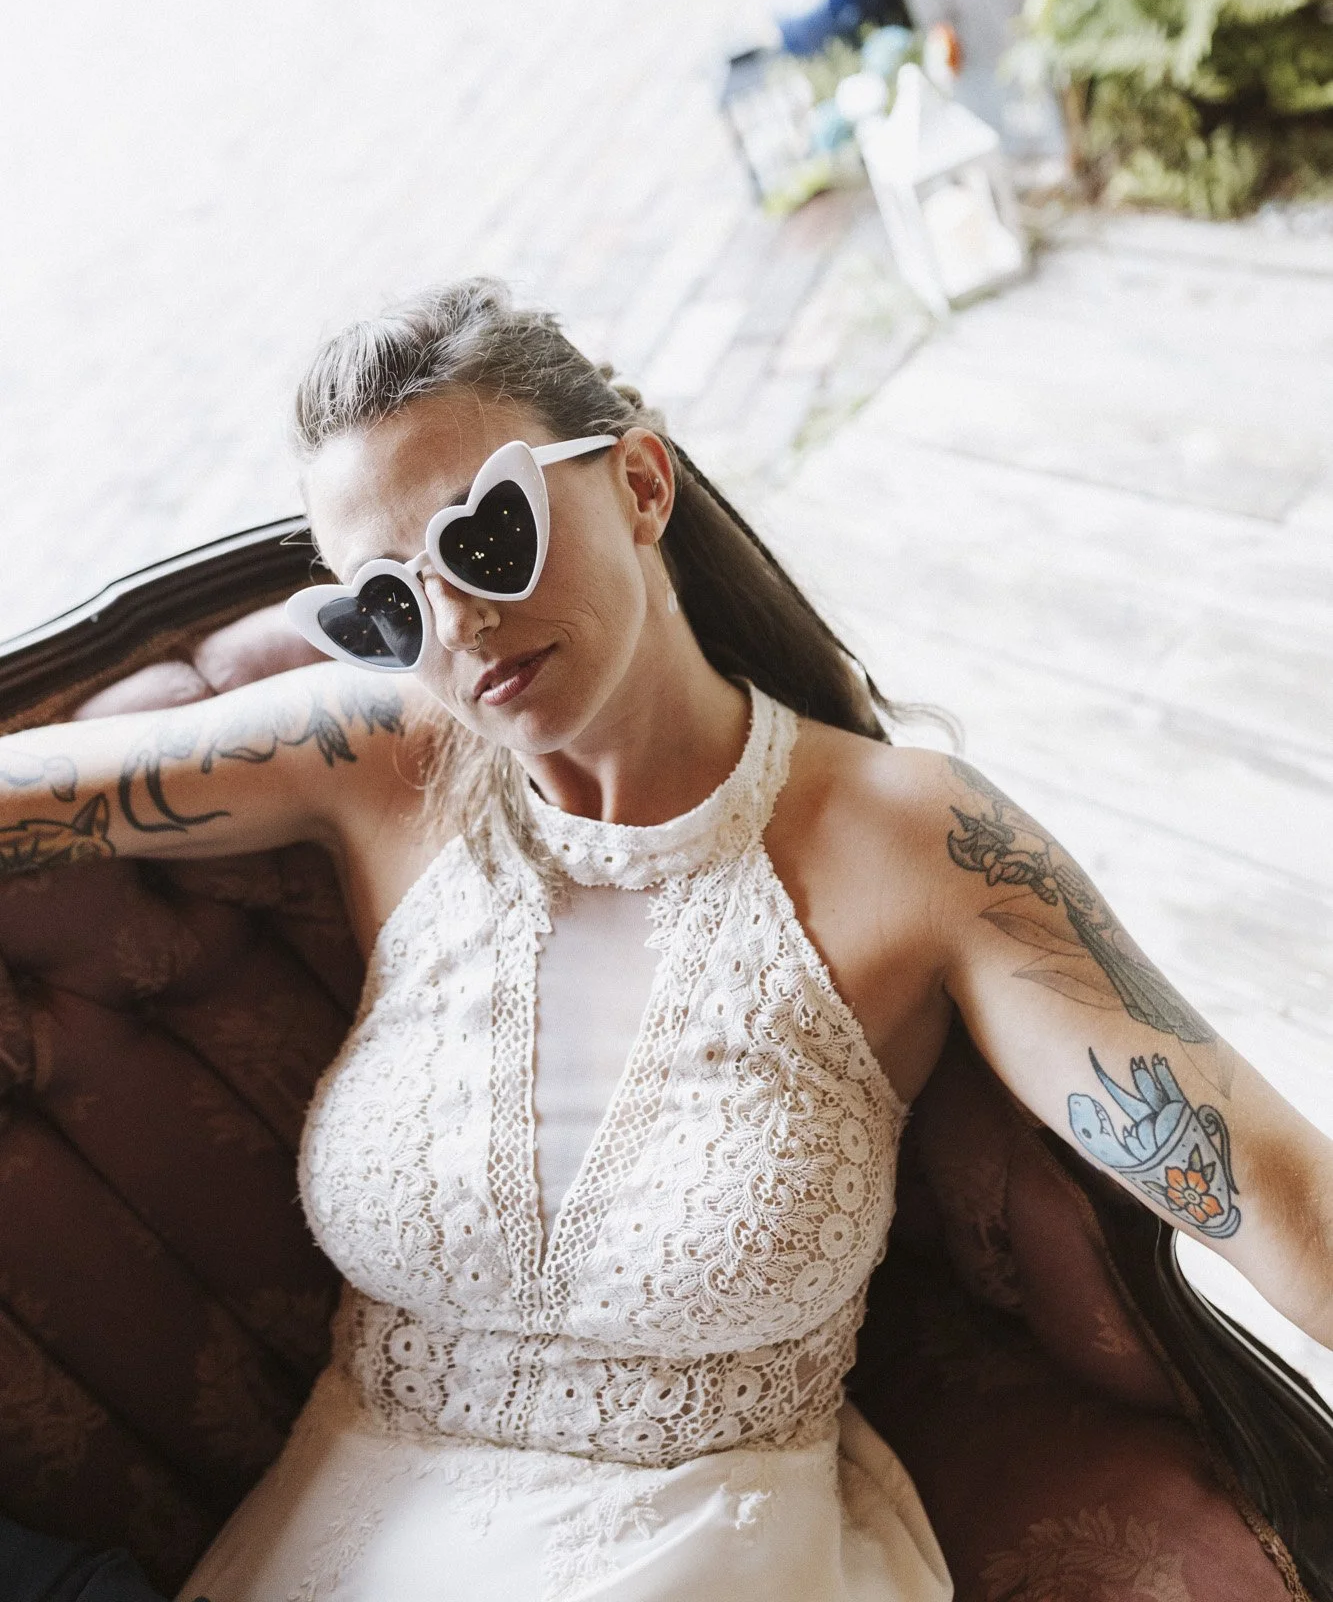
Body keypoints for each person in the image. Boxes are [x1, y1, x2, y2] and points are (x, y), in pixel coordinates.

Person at [5, 279, 1331, 1602]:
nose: (457, 627)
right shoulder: (376, 754)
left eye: (493, 534)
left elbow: (1271, 1190)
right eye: (389, 609)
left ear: (639, 482)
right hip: (342, 1547)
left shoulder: (911, 844)